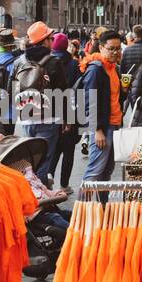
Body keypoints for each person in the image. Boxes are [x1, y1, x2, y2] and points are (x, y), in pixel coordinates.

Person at [15, 21, 70, 186]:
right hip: (48, 119)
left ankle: (32, 196)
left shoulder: (19, 61)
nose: (52, 41)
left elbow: (11, 90)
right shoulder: (53, 62)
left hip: (25, 119)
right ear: (45, 40)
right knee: (44, 162)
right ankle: (43, 202)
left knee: (28, 163)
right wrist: (67, 119)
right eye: (50, 38)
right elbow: (63, 92)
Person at [79, 30, 124, 195]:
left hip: (115, 124)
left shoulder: (114, 68)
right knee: (94, 172)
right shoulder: (95, 69)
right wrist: (97, 130)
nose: (115, 52)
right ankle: (81, 213)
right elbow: (89, 101)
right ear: (101, 48)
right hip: (103, 128)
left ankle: (103, 210)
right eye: (111, 48)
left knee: (106, 172)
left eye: (118, 48)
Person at [48, 32, 82, 190]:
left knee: (54, 147)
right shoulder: (75, 64)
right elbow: (79, 88)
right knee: (68, 150)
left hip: (52, 110)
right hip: (71, 110)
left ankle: (49, 176)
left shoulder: (47, 62)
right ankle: (64, 184)